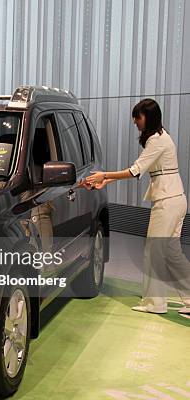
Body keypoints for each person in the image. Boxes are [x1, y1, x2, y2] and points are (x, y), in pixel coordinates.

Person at [83, 99, 190, 315]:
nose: (135, 122)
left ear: (148, 117)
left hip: (167, 202)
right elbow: (138, 170)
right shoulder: (161, 137)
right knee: (171, 252)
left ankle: (155, 303)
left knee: (154, 251)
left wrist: (104, 175)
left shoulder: (157, 141)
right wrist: (106, 181)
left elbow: (134, 171)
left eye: (138, 117)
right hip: (175, 199)